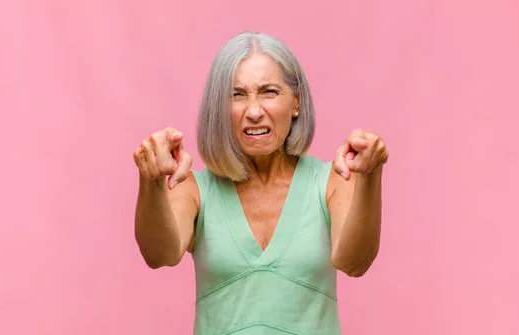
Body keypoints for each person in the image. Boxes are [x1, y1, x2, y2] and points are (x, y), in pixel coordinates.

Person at [132, 31, 389, 335]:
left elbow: (354, 262)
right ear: (221, 110)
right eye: (237, 95)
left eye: (269, 92)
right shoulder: (195, 188)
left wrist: (371, 176)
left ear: (296, 103)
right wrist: (150, 180)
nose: (253, 112)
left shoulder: (332, 180)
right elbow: (159, 255)